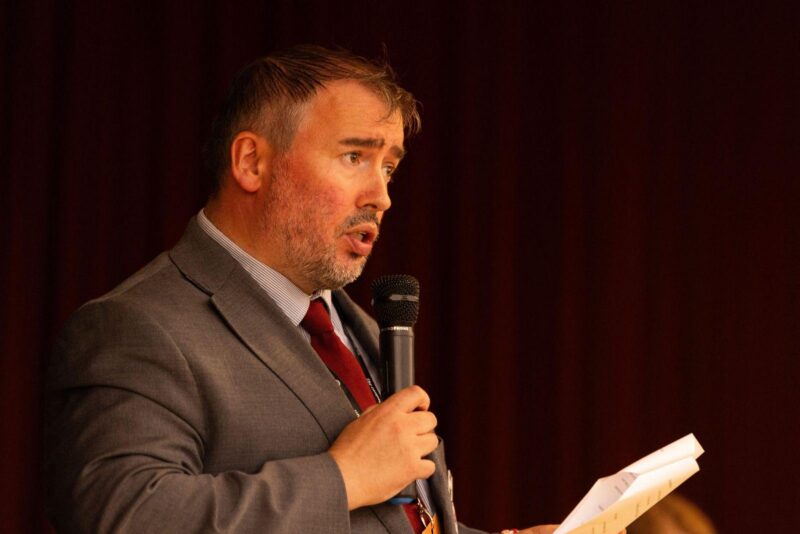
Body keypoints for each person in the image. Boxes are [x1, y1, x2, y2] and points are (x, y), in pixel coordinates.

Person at [43, 45, 569, 533]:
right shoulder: (137, 327)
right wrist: (341, 479)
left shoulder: (356, 326)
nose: (381, 195)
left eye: (389, 167)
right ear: (252, 162)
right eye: (354, 157)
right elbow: (129, 515)